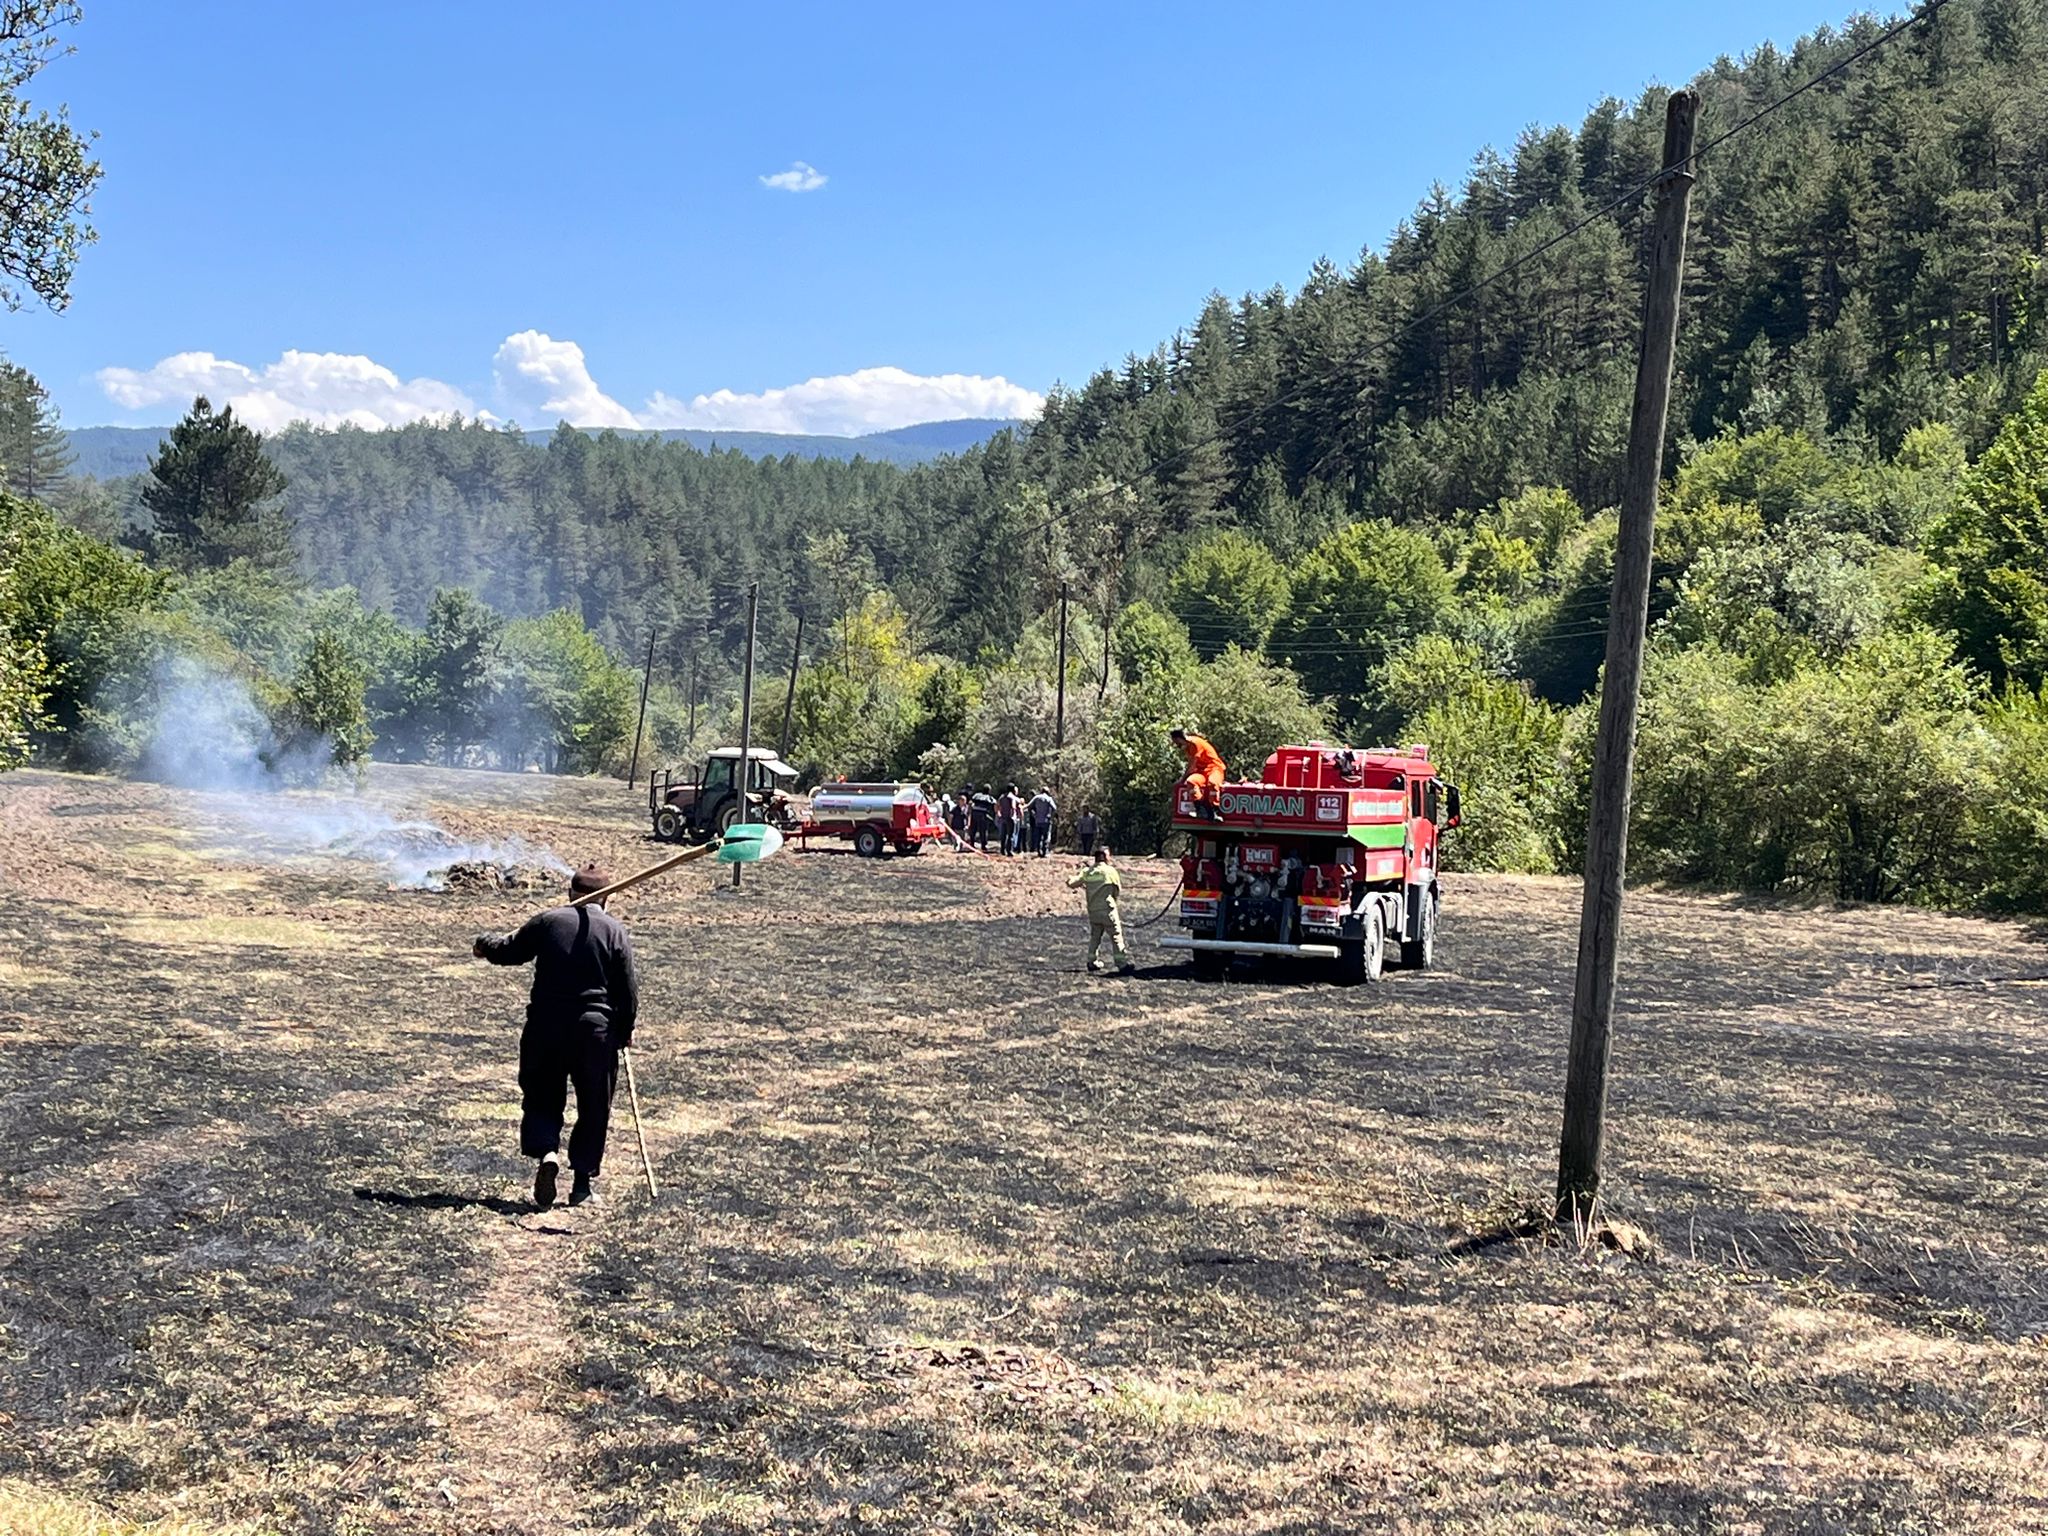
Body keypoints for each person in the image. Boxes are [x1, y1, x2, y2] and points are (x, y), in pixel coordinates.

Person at [473, 864, 638, 1210]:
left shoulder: (548, 921)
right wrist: (624, 1031)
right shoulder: (614, 931)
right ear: (606, 899)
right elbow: (627, 991)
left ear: (569, 894)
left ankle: (547, 1150)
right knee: (594, 1105)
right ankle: (580, 1185)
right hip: (595, 1031)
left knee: (542, 1095)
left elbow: (509, 950)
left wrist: (483, 945)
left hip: (545, 1027)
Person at [1068, 845, 1134, 974]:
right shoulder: (1110, 871)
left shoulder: (1088, 872)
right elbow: (1117, 890)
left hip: (1093, 911)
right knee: (1116, 936)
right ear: (1104, 857)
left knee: (1095, 937)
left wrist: (1070, 877)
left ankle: (1092, 961)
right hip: (1108, 910)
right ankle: (1122, 964)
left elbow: (1072, 883)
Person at [1170, 726, 1226, 821]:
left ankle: (1214, 810)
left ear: (1179, 738)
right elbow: (1193, 766)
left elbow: (1191, 766)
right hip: (1201, 772)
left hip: (1214, 769)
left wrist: (1181, 780)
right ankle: (1201, 809)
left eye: (1177, 743)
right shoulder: (1188, 748)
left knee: (1212, 783)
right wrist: (1184, 780)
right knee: (1191, 782)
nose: (1177, 745)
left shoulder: (1195, 744)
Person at [1028, 786, 1057, 856]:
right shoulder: (1049, 799)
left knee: (1038, 836)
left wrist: (1034, 815)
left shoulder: (1036, 798)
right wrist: (1050, 816)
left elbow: (1029, 807)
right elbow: (1054, 808)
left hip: (1037, 820)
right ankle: (1045, 851)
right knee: (1046, 836)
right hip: (1046, 820)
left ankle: (1039, 850)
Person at [970, 783, 997, 850]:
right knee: (983, 830)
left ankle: (972, 843)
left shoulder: (976, 795)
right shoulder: (989, 798)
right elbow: (994, 804)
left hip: (974, 813)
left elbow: (971, 802)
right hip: (983, 815)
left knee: (973, 829)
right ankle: (983, 845)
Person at [998, 783, 1021, 856]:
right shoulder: (1012, 797)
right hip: (1010, 818)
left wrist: (999, 814)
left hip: (1003, 817)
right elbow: (1013, 807)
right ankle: (1009, 851)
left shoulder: (1002, 797)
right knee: (1010, 835)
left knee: (1003, 835)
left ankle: (1002, 850)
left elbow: (997, 805)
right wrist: (1013, 815)